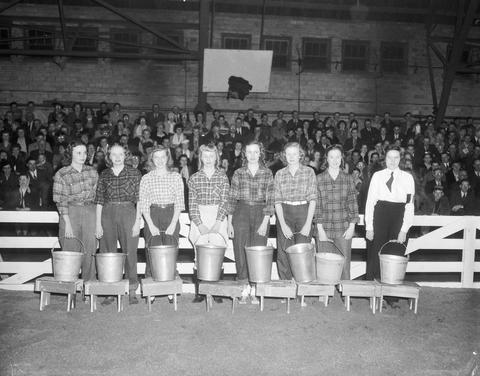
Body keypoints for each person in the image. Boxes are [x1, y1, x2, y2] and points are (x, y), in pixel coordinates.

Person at [365, 147, 415, 304]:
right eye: (389, 157)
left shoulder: (408, 178)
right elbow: (370, 202)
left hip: (399, 216)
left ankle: (391, 296)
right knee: (375, 253)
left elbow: (410, 205)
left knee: (395, 254)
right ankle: (373, 294)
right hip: (380, 214)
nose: (392, 161)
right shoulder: (377, 176)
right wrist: (369, 227)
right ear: (384, 159)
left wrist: (404, 229)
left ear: (400, 159)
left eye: (396, 157)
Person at [227, 141, 274, 304]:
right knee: (240, 250)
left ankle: (255, 289)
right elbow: (232, 197)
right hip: (241, 211)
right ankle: (243, 288)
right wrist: (229, 222)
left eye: (256, 152)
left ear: (260, 153)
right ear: (244, 154)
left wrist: (265, 220)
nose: (252, 155)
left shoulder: (267, 173)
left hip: (261, 212)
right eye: (249, 152)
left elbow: (270, 199)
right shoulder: (238, 173)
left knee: (257, 251)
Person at [95, 145, 142, 305]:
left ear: (125, 155)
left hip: (128, 211)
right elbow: (100, 200)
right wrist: (98, 224)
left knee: (130, 251)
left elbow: (139, 200)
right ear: (109, 157)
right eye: (113, 154)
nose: (117, 157)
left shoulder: (134, 173)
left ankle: (132, 290)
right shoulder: (104, 174)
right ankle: (110, 291)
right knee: (108, 252)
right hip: (107, 212)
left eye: (120, 154)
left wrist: (137, 222)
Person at [139, 146, 185, 303]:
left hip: (171, 213)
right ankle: (151, 289)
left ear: (168, 158)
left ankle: (171, 289)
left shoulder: (176, 176)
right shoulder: (146, 178)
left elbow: (179, 202)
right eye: (156, 157)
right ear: (151, 159)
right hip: (153, 214)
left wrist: (173, 223)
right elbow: (144, 203)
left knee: (171, 251)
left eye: (162, 157)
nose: (159, 160)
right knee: (152, 251)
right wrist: (150, 224)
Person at [188, 143, 230, 303]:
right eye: (205, 156)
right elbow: (192, 204)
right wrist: (199, 224)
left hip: (217, 216)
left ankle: (217, 291)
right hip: (200, 215)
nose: (208, 159)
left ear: (216, 157)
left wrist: (219, 222)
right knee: (199, 255)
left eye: (211, 156)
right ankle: (200, 291)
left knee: (218, 253)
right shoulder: (194, 178)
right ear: (200, 157)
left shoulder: (222, 176)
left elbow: (225, 201)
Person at [53, 141, 98, 282]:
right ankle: (69, 291)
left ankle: (89, 288)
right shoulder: (62, 174)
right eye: (78, 152)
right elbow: (60, 200)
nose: (82, 156)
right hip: (70, 213)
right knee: (70, 250)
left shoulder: (92, 172)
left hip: (90, 211)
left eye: (84, 152)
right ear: (70, 154)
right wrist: (67, 223)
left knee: (90, 251)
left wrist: (97, 221)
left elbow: (98, 197)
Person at [274, 142, 317, 281]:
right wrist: (282, 224)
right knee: (284, 252)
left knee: (302, 252)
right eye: (288, 154)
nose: (291, 157)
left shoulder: (309, 172)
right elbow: (277, 201)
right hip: (285, 213)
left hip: (303, 212)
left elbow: (313, 200)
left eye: (295, 153)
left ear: (300, 155)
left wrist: (308, 224)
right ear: (284, 156)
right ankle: (285, 288)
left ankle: (301, 290)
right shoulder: (279, 174)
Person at [315, 145, 359, 280]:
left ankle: (346, 294)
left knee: (344, 263)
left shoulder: (348, 178)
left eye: (338, 157)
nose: (335, 160)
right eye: (331, 157)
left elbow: (353, 203)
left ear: (342, 159)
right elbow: (316, 206)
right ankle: (325, 295)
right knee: (324, 264)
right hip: (324, 227)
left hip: (343, 228)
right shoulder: (319, 179)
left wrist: (352, 226)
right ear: (326, 159)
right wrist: (319, 229)